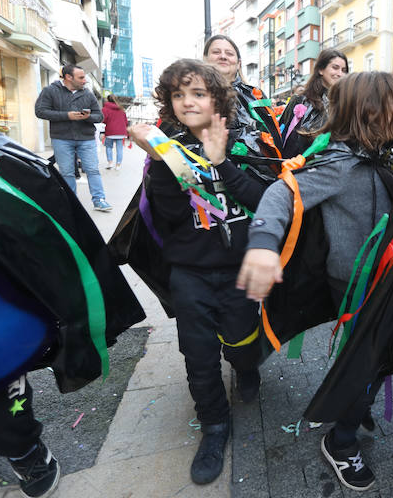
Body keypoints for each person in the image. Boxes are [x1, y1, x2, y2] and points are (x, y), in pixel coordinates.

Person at [236, 71, 393, 492]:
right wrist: (262, 242)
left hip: (383, 279)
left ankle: (355, 401)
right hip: (352, 282)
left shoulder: (382, 154)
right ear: (368, 112)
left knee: (376, 355)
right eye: (391, 104)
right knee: (368, 359)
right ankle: (341, 441)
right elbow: (282, 193)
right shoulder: (340, 164)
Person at [128, 59, 268, 485]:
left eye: (198, 93)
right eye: (178, 94)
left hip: (240, 270)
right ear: (169, 103)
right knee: (199, 355)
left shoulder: (244, 141)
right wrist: (162, 165)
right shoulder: (165, 149)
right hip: (190, 272)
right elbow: (168, 218)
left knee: (242, 342)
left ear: (216, 99)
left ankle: (246, 367)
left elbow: (266, 201)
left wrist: (222, 162)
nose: (188, 102)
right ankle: (214, 426)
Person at [34, 65, 112, 211]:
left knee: (92, 170)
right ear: (69, 77)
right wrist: (66, 115)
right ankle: (72, 203)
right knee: (67, 172)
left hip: (86, 138)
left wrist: (88, 117)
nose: (85, 80)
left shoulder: (88, 94)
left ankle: (99, 200)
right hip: (61, 138)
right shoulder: (50, 91)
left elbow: (99, 116)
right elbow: (40, 111)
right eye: (81, 77)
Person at [203, 34, 283, 157]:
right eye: (216, 52)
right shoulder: (193, 95)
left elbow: (273, 138)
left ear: (239, 63)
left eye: (229, 53)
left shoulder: (255, 96)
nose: (223, 56)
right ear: (205, 59)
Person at [277, 49, 348, 159]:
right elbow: (283, 136)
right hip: (300, 167)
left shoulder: (347, 103)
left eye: (344, 70)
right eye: (335, 68)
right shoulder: (300, 100)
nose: (340, 74)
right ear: (320, 69)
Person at [102, 95, 128, 170]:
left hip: (110, 131)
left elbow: (103, 119)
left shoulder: (105, 108)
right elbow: (126, 122)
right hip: (121, 132)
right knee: (119, 149)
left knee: (109, 147)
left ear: (107, 99)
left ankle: (110, 163)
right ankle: (118, 165)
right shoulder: (121, 109)